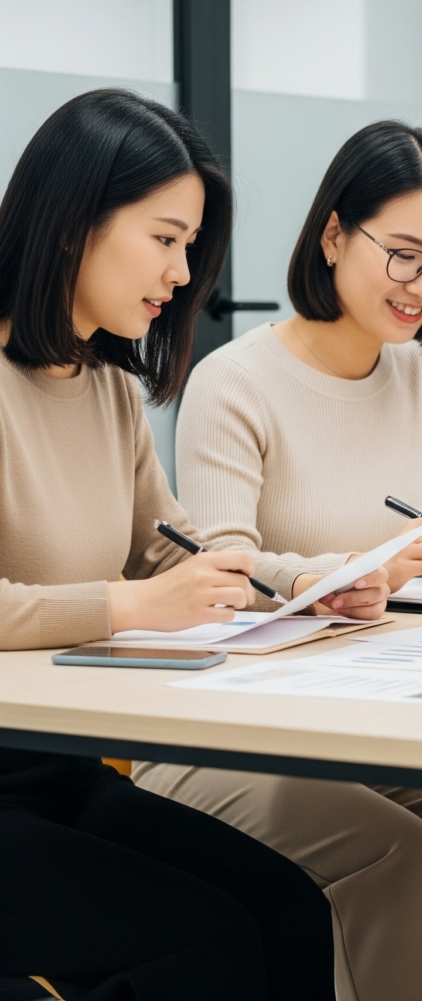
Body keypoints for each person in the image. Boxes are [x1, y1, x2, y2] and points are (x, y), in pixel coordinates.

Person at [135, 121, 422, 1001]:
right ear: (332, 236)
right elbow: (221, 569)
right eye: (402, 255)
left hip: (366, 716)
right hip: (229, 728)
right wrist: (381, 565)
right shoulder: (235, 382)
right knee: (397, 855)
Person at [0, 89, 391, 1001]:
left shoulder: (102, 387)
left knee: (289, 909)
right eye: (165, 238)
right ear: (72, 226)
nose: (182, 274)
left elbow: (171, 553)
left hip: (51, 773)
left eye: (189, 247)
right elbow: (141, 593)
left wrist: (305, 583)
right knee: (204, 943)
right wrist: (126, 607)